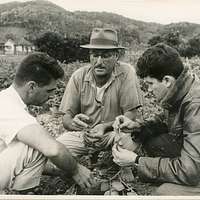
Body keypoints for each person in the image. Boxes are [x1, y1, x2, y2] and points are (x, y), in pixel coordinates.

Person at [112, 43, 200, 195]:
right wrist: (136, 126)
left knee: (163, 193)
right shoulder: (180, 86)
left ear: (166, 80)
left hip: (193, 168)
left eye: (150, 84)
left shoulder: (195, 104)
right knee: (153, 142)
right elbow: (166, 120)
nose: (150, 90)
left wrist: (137, 160)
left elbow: (190, 170)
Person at [0, 52, 94, 193]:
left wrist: (59, 171)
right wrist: (76, 170)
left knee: (35, 143)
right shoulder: (10, 108)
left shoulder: (6, 99)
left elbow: (14, 156)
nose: (51, 97)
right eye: (49, 91)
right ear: (31, 87)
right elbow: (53, 150)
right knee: (38, 145)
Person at [57, 27, 142, 158]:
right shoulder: (78, 76)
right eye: (95, 55)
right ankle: (80, 165)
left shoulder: (126, 73)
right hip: (86, 134)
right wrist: (74, 124)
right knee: (58, 147)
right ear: (90, 56)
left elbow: (130, 114)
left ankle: (124, 167)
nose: (99, 62)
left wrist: (105, 127)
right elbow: (66, 117)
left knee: (129, 140)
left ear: (116, 56)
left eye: (106, 56)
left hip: (114, 133)